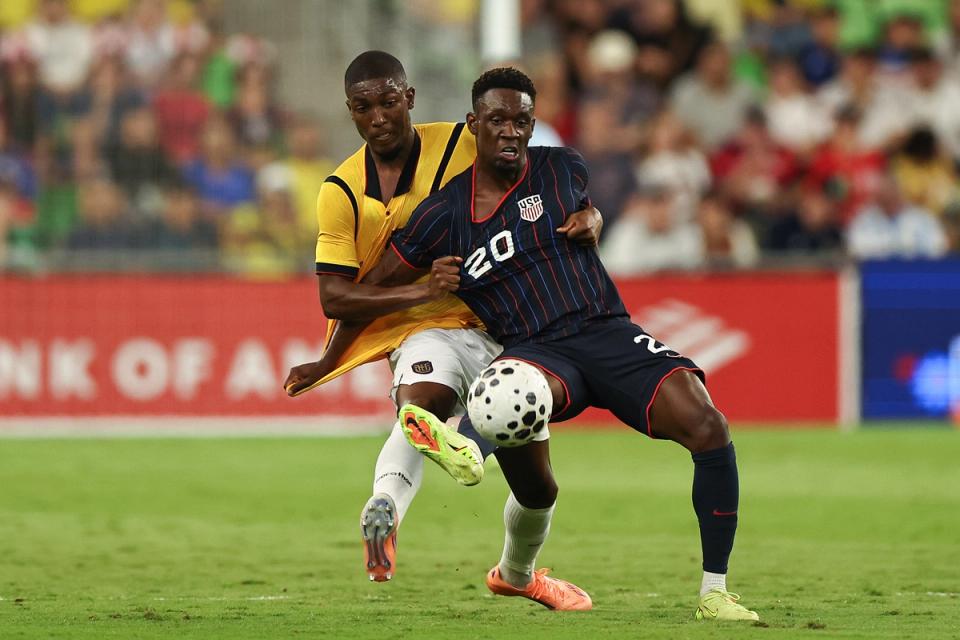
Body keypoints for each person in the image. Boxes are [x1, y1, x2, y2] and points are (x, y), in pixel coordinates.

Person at [306, 67, 759, 621]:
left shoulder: (560, 167)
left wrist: (592, 216)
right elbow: (365, 287)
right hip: (532, 349)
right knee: (498, 394)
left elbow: (588, 208)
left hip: (605, 329)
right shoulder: (440, 216)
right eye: (497, 120)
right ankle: (457, 453)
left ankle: (714, 593)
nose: (511, 132)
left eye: (522, 120)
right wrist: (333, 357)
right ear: (476, 125)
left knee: (708, 427)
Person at [282, 52, 601, 583]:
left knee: (538, 487)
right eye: (364, 107)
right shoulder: (340, 191)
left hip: (508, 326)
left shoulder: (460, 145)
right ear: (350, 112)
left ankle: (516, 574)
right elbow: (336, 298)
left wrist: (591, 212)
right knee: (419, 410)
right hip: (427, 326)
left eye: (388, 102)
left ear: (409, 98)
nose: (378, 116)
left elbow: (544, 178)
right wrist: (414, 295)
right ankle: (384, 504)